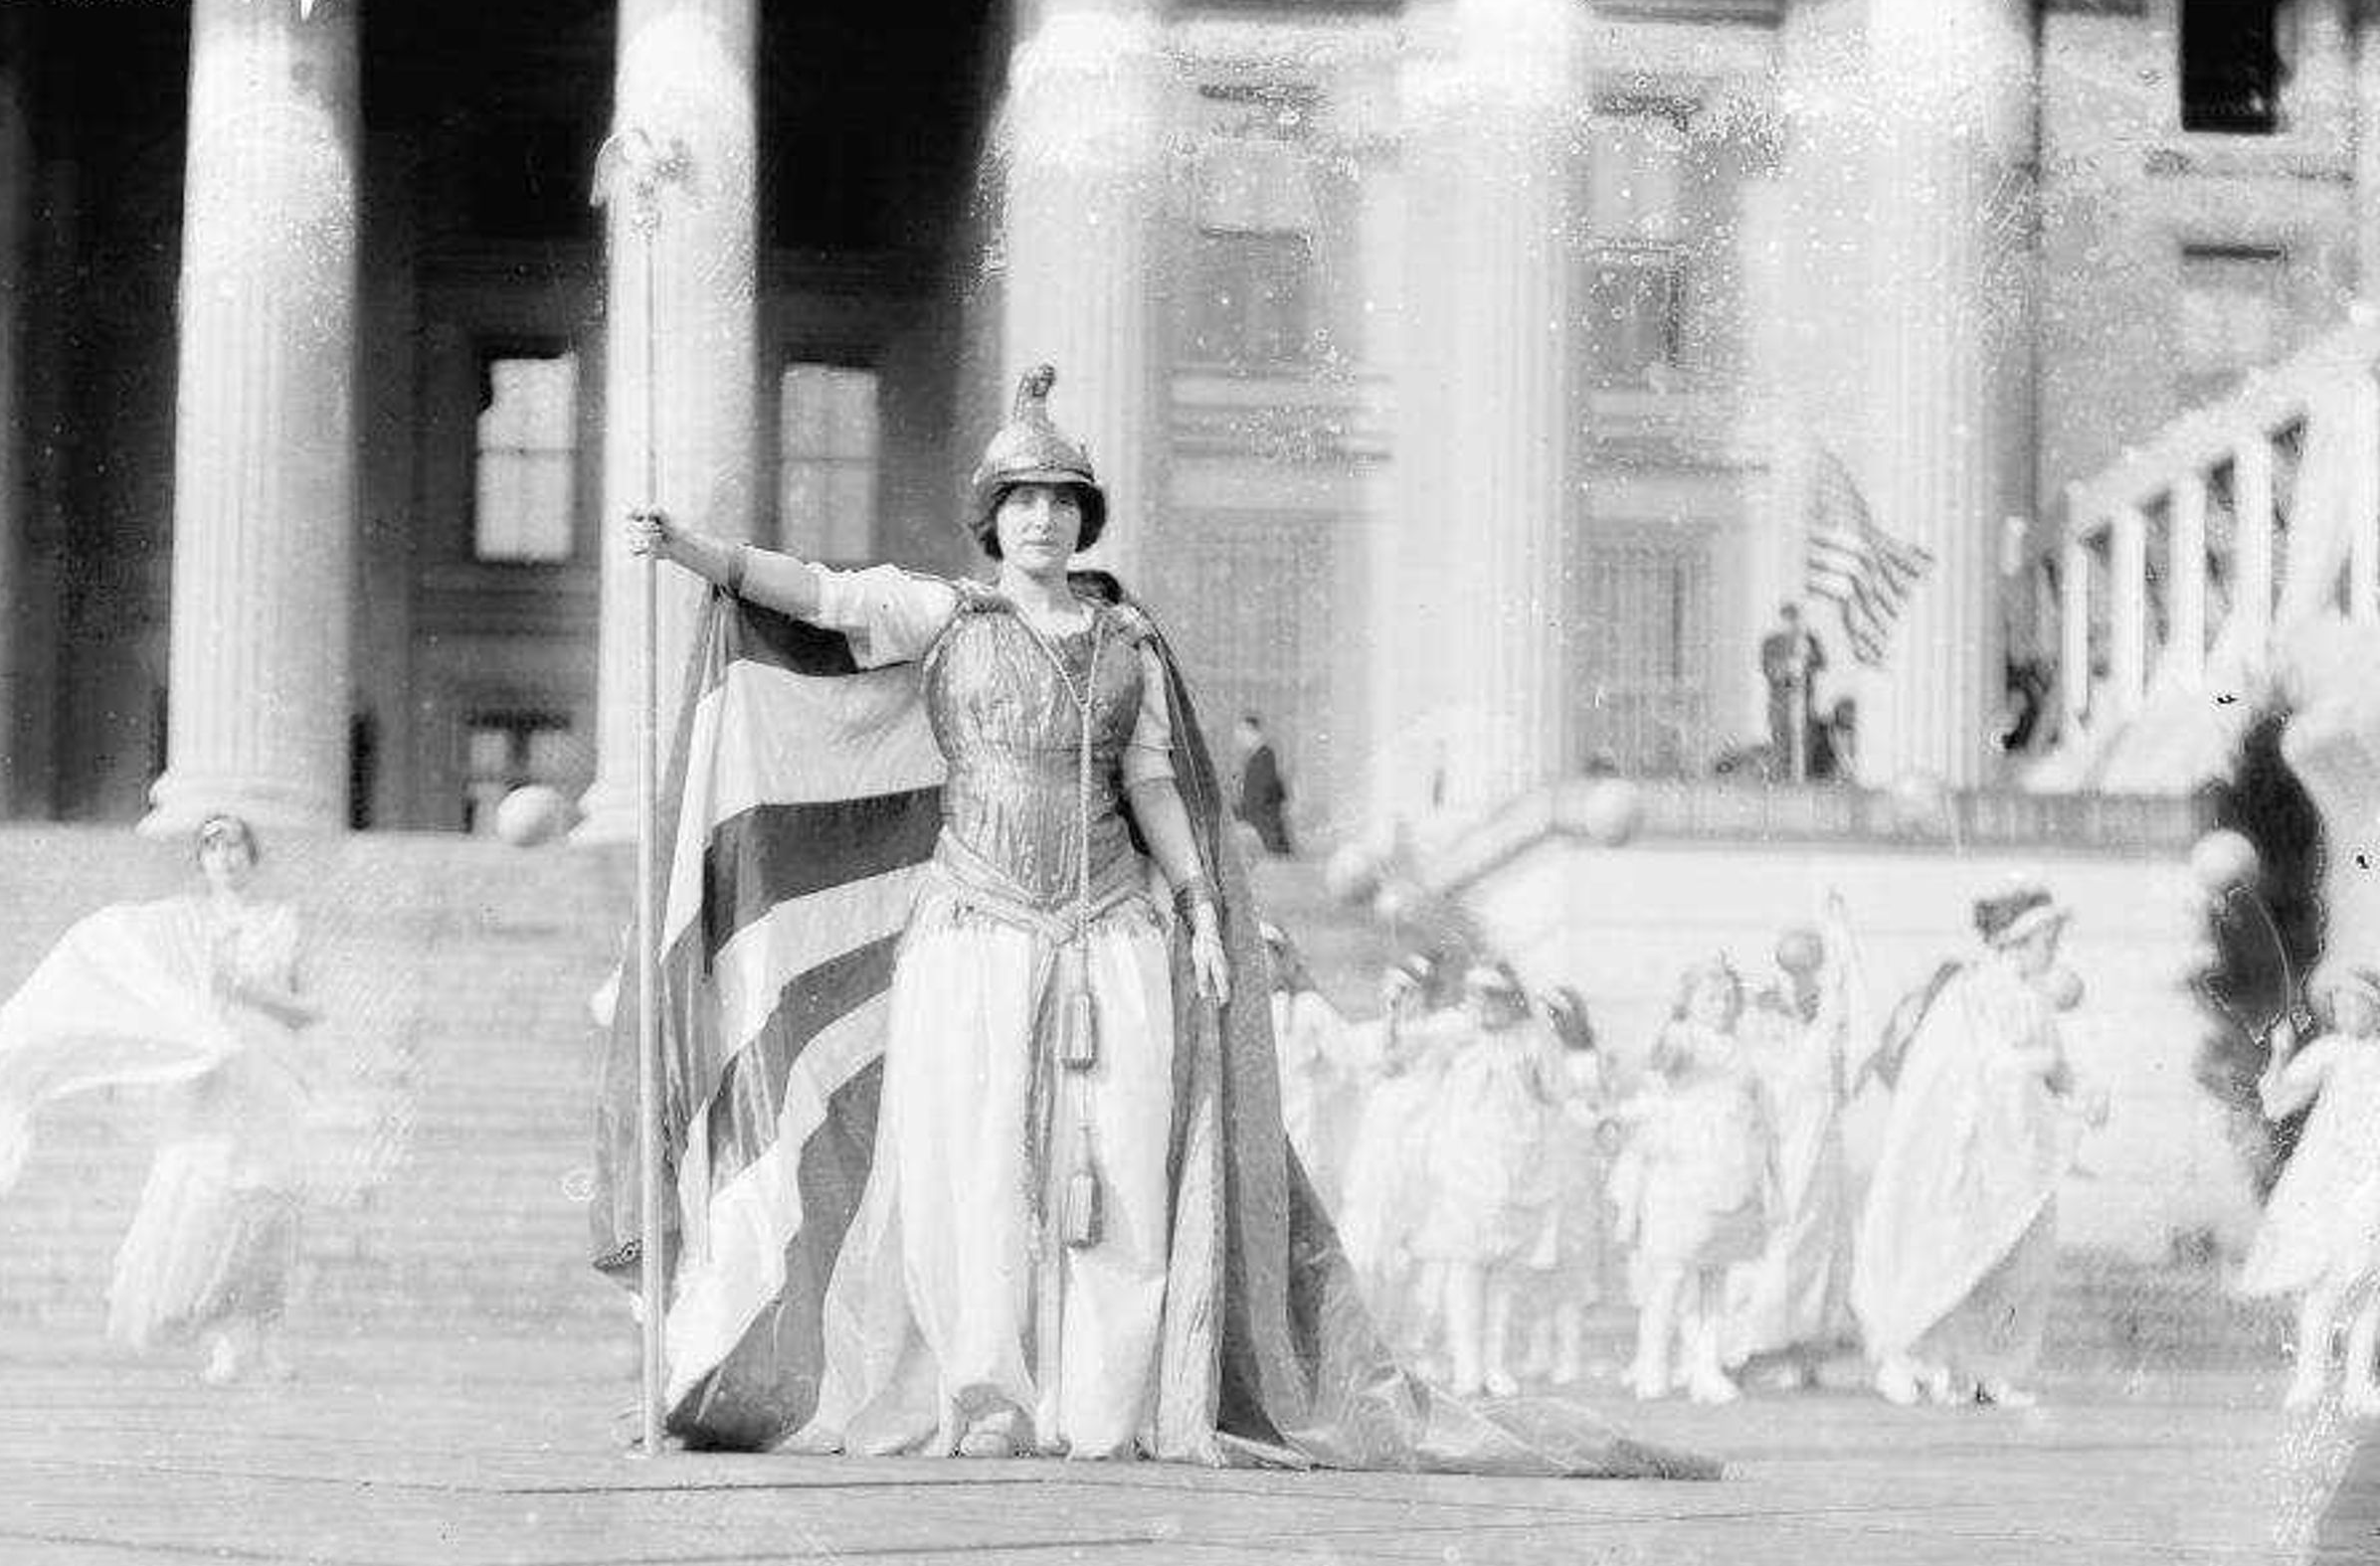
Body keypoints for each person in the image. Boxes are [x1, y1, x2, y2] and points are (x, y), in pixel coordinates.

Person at [605, 366, 1698, 1477]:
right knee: (971, 1172)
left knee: (1118, 1172)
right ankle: (986, 1394)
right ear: (992, 521)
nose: (1043, 517)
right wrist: (697, 550)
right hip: (975, 931)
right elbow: (826, 596)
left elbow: (1156, 785)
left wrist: (1201, 910)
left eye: (1062, 500)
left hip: (1115, 932)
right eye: (1023, 500)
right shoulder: (947, 612)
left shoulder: (1126, 640)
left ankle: (1104, 1402)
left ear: (1085, 518)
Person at [0, 811, 321, 1386]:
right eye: (213, 848)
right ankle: (221, 1340)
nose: (227, 857)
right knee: (213, 1202)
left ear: (254, 855)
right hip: (211, 1074)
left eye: (237, 845)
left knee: (270, 1204)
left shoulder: (281, 921)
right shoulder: (181, 924)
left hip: (268, 1069)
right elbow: (128, 967)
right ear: (200, 862)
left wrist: (247, 992)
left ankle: (265, 1337)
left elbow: (308, 1009)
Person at [1850, 883, 2105, 1408]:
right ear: (2016, 939)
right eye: (2045, 938)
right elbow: (1954, 1068)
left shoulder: (2034, 998)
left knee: (2020, 1266)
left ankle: (1996, 1369)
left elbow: (2055, 1068)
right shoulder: (1970, 991)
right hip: (1969, 1154)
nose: (2053, 948)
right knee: (1947, 1253)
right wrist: (2021, 1066)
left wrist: (2083, 1092)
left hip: (2024, 1156)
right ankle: (1911, 1358)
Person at [2235, 967, 2380, 1420]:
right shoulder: (2330, 1053)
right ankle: (2310, 1378)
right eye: (2340, 1006)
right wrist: (2281, 1053)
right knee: (2323, 1281)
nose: (2346, 1013)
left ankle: (2359, 1385)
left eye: (2355, 1004)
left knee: (2370, 1285)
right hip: (2331, 1182)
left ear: (2377, 1009)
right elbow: (2278, 1102)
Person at [1617, 957, 1784, 1405]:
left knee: (1716, 1277)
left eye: (1729, 997)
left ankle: (1704, 1366)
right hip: (1685, 1170)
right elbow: (1659, 1069)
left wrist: (1772, 1181)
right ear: (1688, 1002)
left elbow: (1764, 1119)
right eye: (1710, 997)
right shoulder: (1683, 1039)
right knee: (1671, 1273)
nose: (1722, 1005)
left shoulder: (1746, 1052)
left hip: (1733, 1171)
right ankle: (1652, 1363)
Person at [1721, 898, 1865, 1390]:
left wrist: (1840, 930)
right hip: (1781, 1142)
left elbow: (1844, 1013)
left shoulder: (1827, 1014)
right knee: (1777, 1241)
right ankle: (1748, 1346)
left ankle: (1804, 1349)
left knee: (1820, 1243)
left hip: (1820, 1142)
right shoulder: (1761, 1014)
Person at [1411, 962, 1559, 1399]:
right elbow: (1413, 1056)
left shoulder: (1528, 1042)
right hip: (1463, 1164)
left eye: (1497, 996)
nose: (1487, 1005)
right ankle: (1466, 1363)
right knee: (1464, 1265)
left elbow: (1554, 1090)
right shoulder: (1457, 1037)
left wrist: (1541, 1042)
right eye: (1479, 995)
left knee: (1502, 1269)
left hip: (1513, 1163)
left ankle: (1496, 1363)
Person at [1334, 956, 1448, 1375]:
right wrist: (1391, 1020)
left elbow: (1416, 1046)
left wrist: (1403, 1026)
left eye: (1408, 991)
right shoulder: (1372, 1036)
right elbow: (1374, 1057)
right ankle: (1369, 1342)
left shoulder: (1440, 1033)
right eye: (1392, 990)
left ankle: (1418, 1344)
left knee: (1417, 1253)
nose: (1398, 999)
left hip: (1424, 1159)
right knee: (1366, 1247)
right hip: (1378, 1160)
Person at [1501, 982, 1614, 1391]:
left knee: (1569, 1267)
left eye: (1556, 1016)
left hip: (1574, 1173)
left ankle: (1569, 1354)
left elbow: (1596, 1113)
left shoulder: (1587, 1061)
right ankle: (1538, 1349)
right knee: (1536, 1267)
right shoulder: (1528, 1058)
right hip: (1537, 1169)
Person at [1260, 920, 1360, 1197]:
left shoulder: (1309, 1007)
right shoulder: (1245, 1010)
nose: (1260, 962)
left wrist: (1317, 1093)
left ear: (1283, 960)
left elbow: (1345, 1062)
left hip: (1300, 1114)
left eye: (1268, 954)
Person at [1759, 603, 1828, 782]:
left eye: (1794, 618)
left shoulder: (1808, 639)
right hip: (1781, 700)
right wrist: (1788, 666)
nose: (1791, 622)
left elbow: (1821, 663)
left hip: (1803, 700)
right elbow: (1769, 669)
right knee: (1782, 740)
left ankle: (1803, 779)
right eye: (1787, 618)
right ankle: (1781, 780)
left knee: (1804, 740)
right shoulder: (1772, 642)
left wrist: (1807, 655)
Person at [1230, 712, 1293, 857]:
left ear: (1253, 732)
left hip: (1265, 834)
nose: (1239, 739)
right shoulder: (1256, 758)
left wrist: (1241, 816)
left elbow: (1260, 798)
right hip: (1264, 832)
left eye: (1242, 733)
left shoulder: (1264, 757)